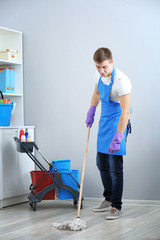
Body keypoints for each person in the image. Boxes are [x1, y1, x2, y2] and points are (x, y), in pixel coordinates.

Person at [85, 47, 131, 220]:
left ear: (111, 62)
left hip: (119, 121)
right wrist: (91, 110)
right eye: (98, 67)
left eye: (104, 67)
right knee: (101, 162)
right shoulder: (98, 76)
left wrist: (119, 136)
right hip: (105, 121)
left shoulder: (121, 80)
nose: (101, 71)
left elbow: (125, 112)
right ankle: (108, 197)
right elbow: (97, 93)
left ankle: (116, 206)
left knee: (115, 167)